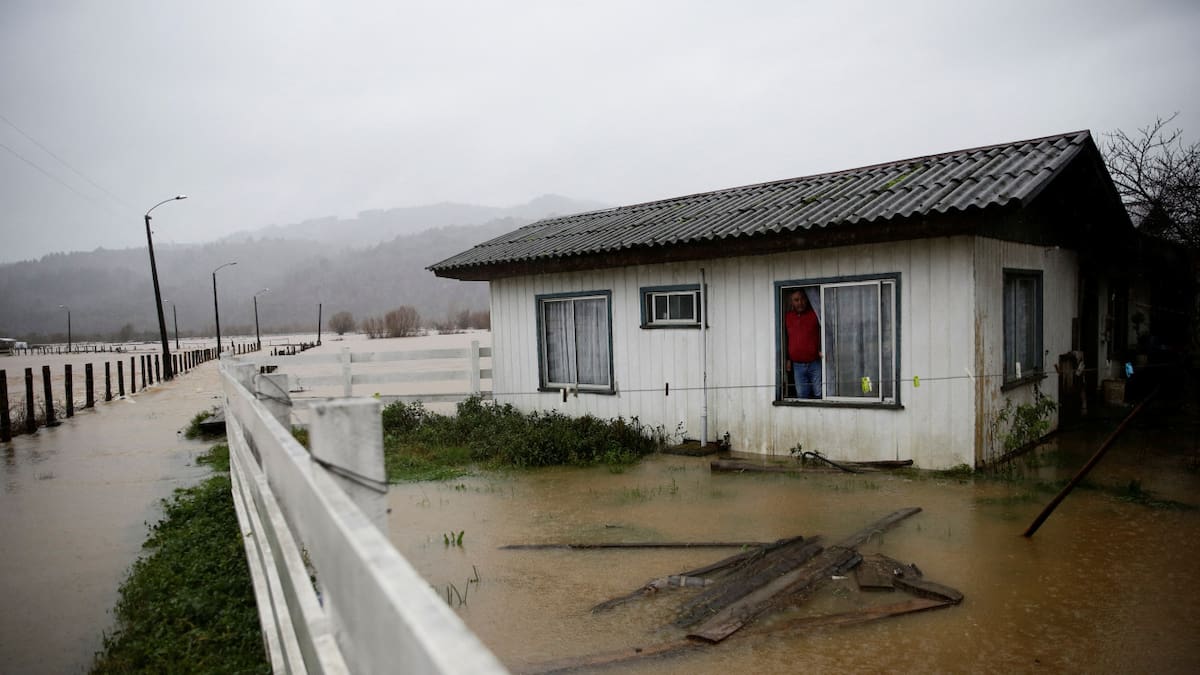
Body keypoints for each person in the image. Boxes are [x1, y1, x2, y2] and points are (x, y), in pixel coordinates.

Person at [785, 289, 822, 398]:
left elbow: (824, 333)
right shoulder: (788, 317)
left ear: (807, 299)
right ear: (792, 302)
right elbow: (786, 338)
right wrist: (787, 359)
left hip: (815, 362)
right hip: (797, 365)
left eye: (803, 299)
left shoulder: (815, 315)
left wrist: (823, 349)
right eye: (796, 300)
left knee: (819, 393)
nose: (800, 302)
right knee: (802, 395)